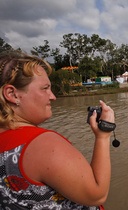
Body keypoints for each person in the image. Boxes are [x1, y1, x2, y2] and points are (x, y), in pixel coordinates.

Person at [0, 50, 114, 209]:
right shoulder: (43, 144)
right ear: (12, 94)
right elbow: (97, 195)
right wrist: (103, 136)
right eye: (45, 88)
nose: (53, 96)